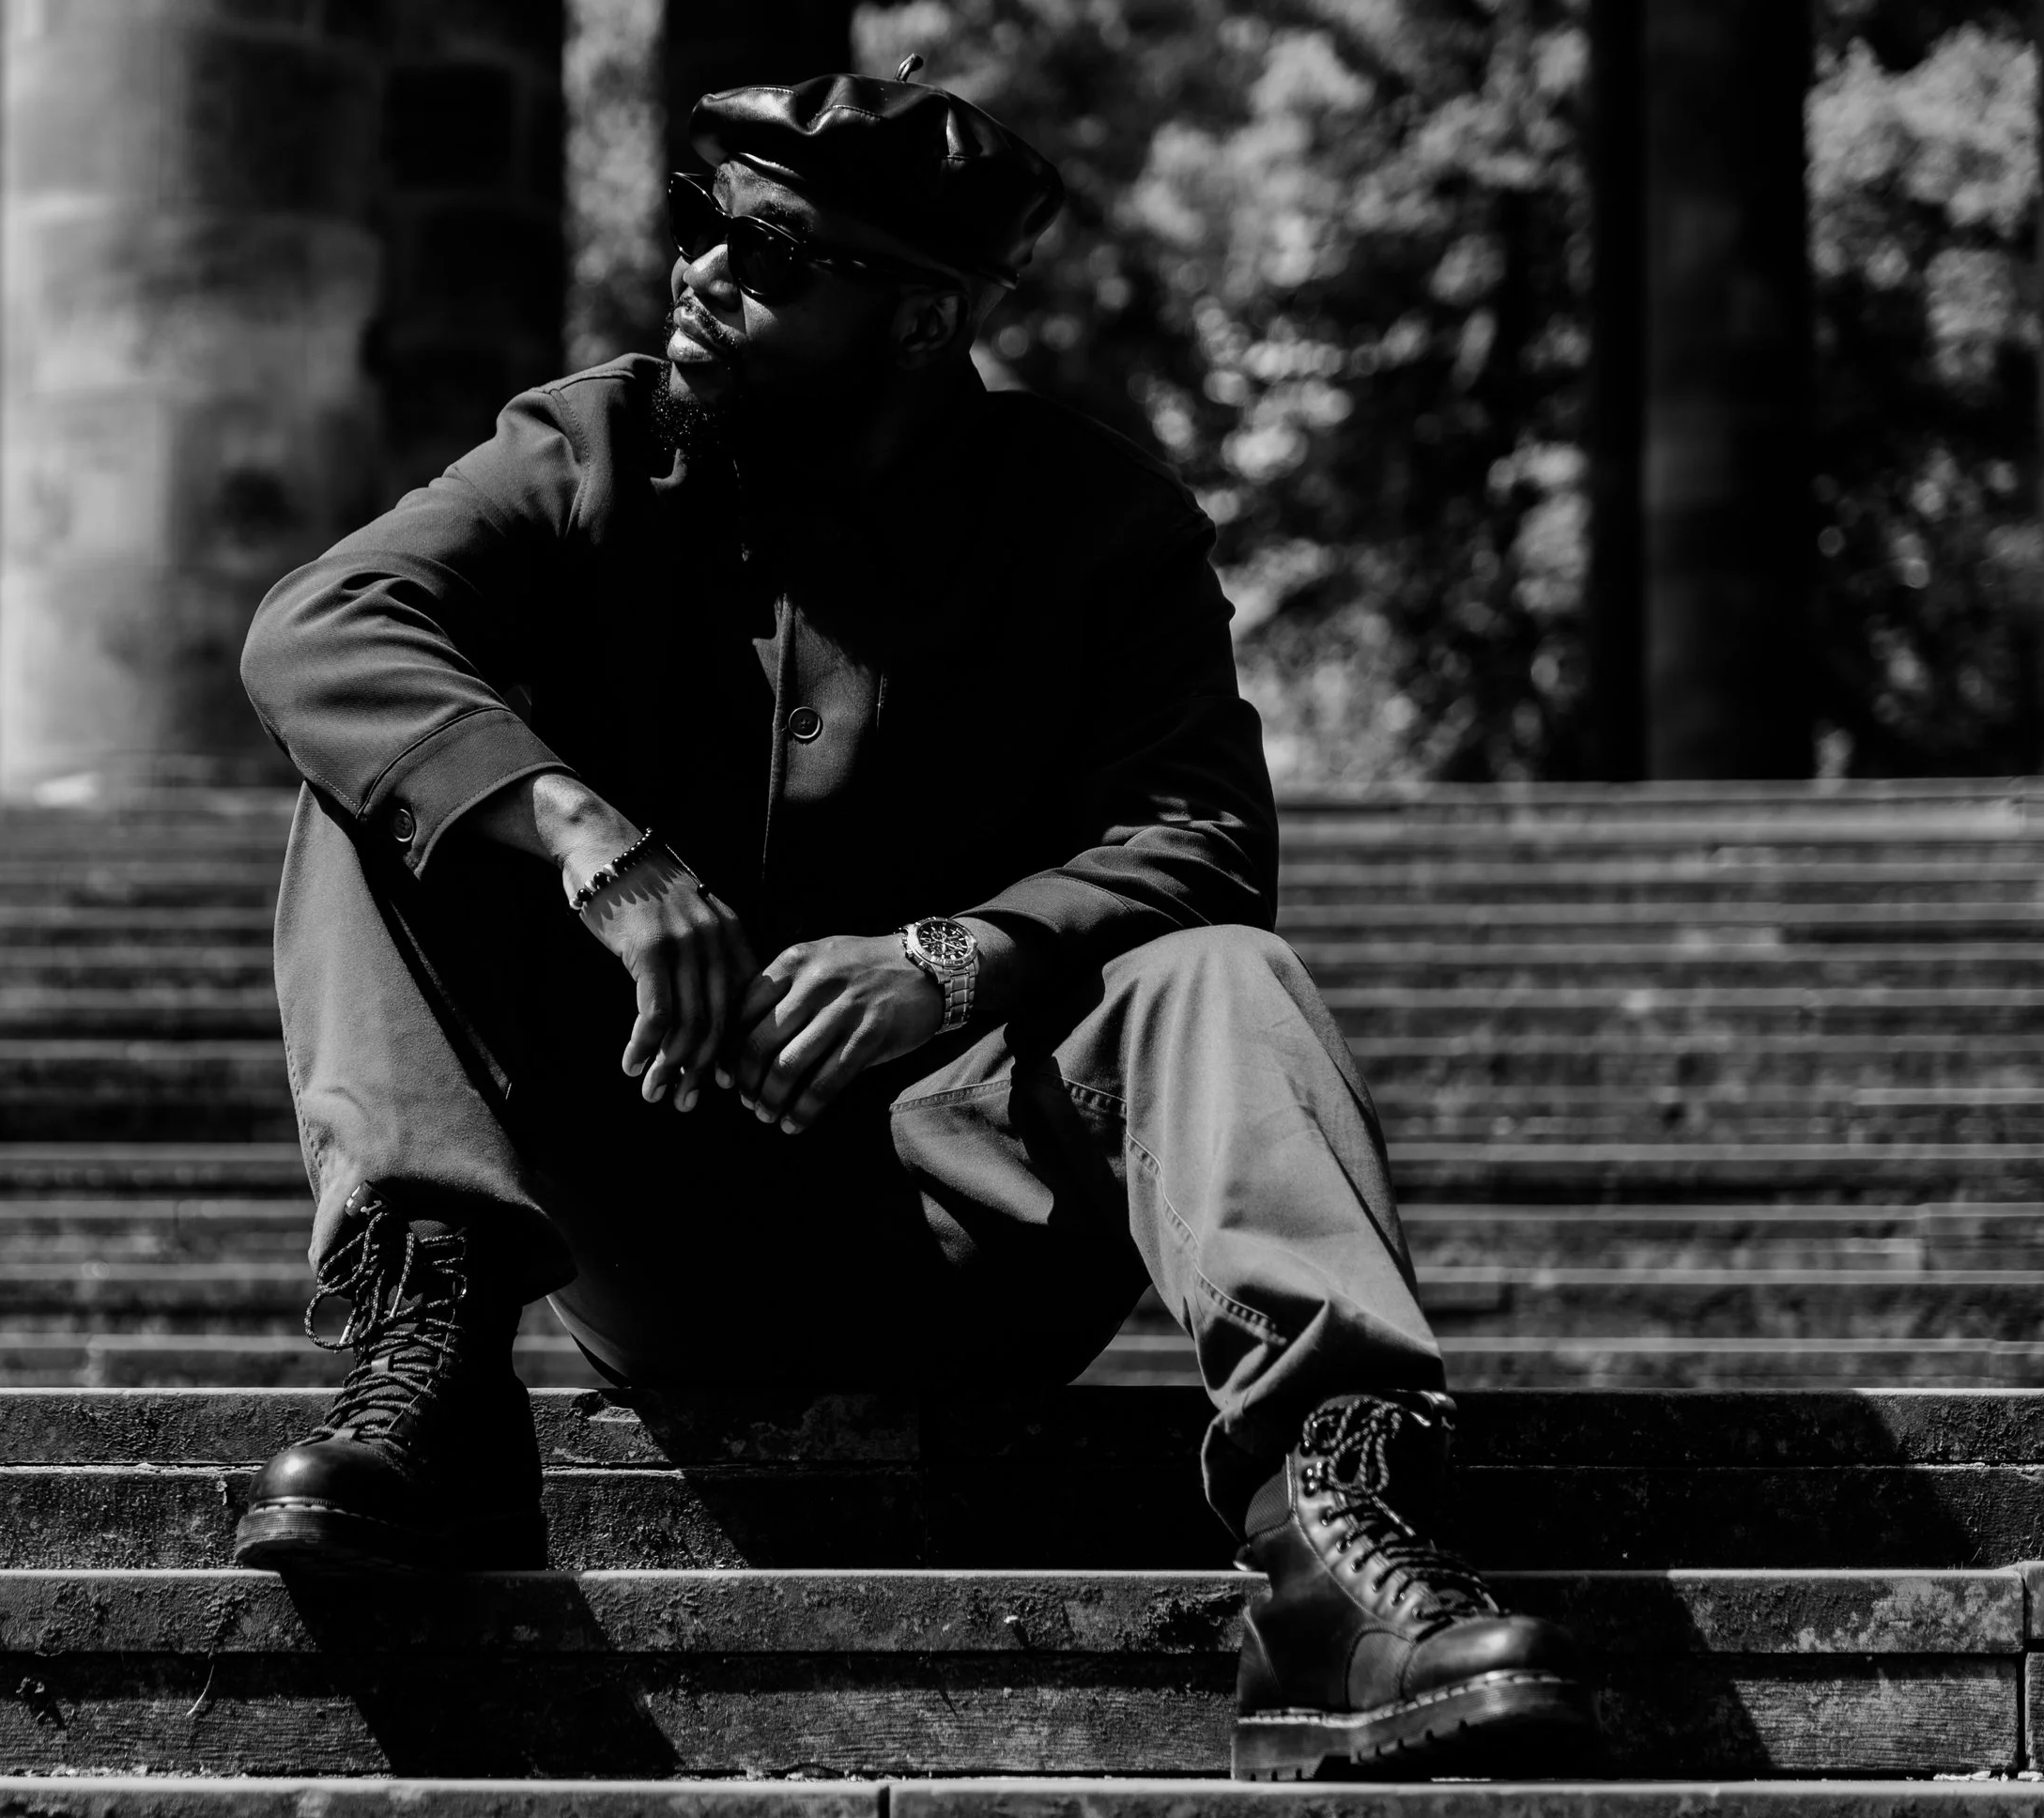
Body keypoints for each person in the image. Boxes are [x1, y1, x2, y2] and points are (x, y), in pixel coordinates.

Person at [229, 65, 1593, 1779]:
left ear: (926, 318)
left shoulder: (1098, 525)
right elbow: (319, 627)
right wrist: (595, 839)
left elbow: (1204, 838)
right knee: (387, 799)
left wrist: (954, 962)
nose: (705, 272)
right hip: (638, 1206)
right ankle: (430, 1370)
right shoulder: (585, 449)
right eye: (700, 225)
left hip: (979, 1235)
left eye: (776, 255)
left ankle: (1333, 1547)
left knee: (1217, 974)